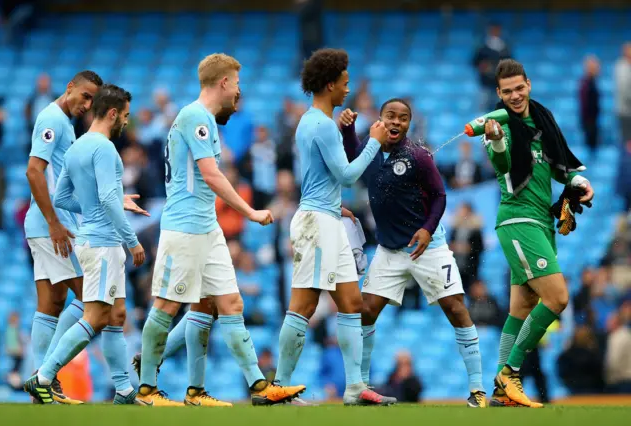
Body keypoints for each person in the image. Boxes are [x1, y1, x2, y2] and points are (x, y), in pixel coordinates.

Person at [136, 53, 305, 407]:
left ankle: (254, 387)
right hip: (184, 228)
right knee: (167, 305)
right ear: (224, 82)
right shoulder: (195, 116)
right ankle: (147, 388)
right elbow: (211, 175)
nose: (239, 91)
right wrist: (249, 211)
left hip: (206, 227)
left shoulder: (206, 121)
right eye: (237, 83)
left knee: (228, 303)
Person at [339, 98, 487, 408]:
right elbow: (353, 157)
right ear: (380, 120)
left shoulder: (418, 156)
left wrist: (428, 229)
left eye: (402, 118)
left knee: (456, 308)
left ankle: (477, 389)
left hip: (426, 247)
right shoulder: (371, 148)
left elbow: (439, 195)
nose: (395, 122)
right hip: (389, 250)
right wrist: (350, 129)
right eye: (390, 116)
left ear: (408, 123)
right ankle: (362, 387)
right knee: (365, 312)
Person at [272, 48, 395, 406]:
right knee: (304, 305)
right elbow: (346, 174)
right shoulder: (321, 124)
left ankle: (355, 387)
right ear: (329, 84)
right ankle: (279, 385)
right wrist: (373, 141)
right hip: (316, 223)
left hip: (327, 217)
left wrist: (332, 204)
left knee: (351, 302)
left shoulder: (316, 122)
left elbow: (320, 175)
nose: (347, 89)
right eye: (344, 82)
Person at [23, 84, 146, 405]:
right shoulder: (104, 148)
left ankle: (123, 390)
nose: (126, 123)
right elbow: (106, 197)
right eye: (126, 116)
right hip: (103, 243)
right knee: (94, 316)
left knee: (116, 315)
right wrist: (131, 241)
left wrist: (95, 208)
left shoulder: (77, 147)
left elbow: (63, 196)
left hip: (92, 238)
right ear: (113, 113)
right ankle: (44, 376)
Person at [484, 59, 595, 408]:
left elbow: (561, 167)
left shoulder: (543, 122)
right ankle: (510, 373)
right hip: (518, 221)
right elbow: (502, 164)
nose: (515, 96)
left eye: (519, 88)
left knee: (522, 306)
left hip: (541, 223)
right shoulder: (496, 125)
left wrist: (579, 182)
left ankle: (502, 393)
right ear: (498, 95)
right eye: (507, 92)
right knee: (558, 298)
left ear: (528, 85)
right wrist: (498, 141)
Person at [24, 70, 103, 405]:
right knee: (94, 303)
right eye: (84, 96)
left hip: (49, 225)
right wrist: (55, 223)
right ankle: (45, 374)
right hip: (53, 228)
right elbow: (33, 170)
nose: (87, 105)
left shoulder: (67, 125)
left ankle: (40, 386)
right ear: (69, 87)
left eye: (92, 101)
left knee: (52, 305)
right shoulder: (52, 118)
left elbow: (65, 183)